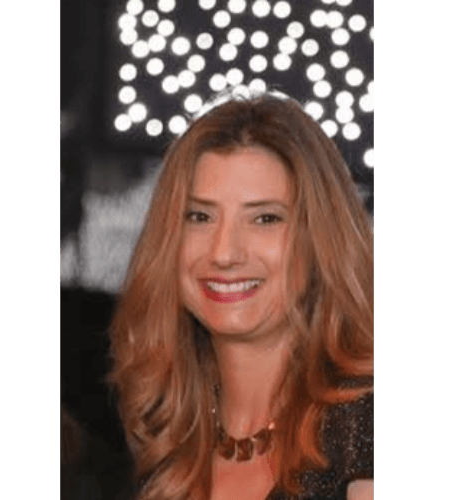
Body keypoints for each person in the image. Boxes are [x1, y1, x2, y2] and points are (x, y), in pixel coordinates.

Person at [108, 91, 374, 500]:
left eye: (265, 218)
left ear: (321, 240)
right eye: (199, 216)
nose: (224, 253)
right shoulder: (166, 438)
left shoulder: (367, 426)